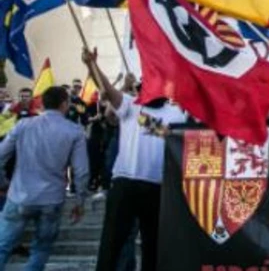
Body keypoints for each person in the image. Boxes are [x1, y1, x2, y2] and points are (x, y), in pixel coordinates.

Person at [82, 48, 187, 271]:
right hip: (125, 184)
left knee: (154, 247)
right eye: (149, 81)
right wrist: (92, 65)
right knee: (112, 242)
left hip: (158, 187)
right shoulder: (131, 104)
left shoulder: (178, 114)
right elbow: (108, 91)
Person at [0, 86, 88, 270]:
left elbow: (1, 155)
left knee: (3, 246)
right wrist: (80, 200)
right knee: (41, 248)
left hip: (19, 194)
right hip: (51, 198)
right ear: (65, 104)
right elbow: (81, 171)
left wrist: (3, 182)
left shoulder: (23, 125)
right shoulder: (74, 131)